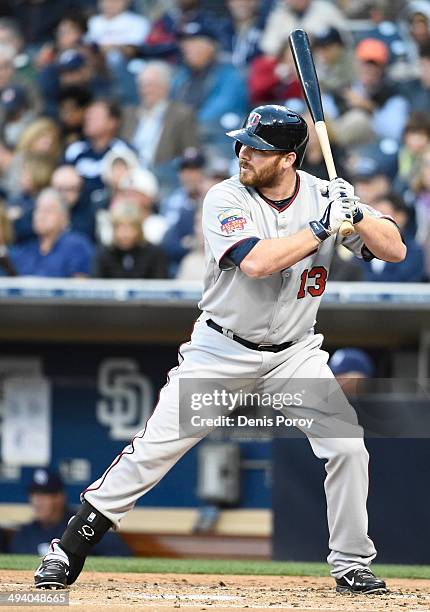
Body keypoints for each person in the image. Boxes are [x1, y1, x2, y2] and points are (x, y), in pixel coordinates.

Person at [33, 104, 405, 593]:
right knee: (154, 450)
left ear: (289, 158)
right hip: (222, 349)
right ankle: (68, 549)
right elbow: (255, 263)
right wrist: (320, 228)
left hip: (294, 355)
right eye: (244, 144)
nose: (244, 153)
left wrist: (355, 213)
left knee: (348, 448)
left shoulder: (324, 196)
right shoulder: (225, 197)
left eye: (258, 148)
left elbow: (394, 249)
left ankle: (352, 562)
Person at [10, 468, 130, 557]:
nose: (37, 502)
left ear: (59, 497)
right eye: (34, 495)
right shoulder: (25, 533)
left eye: (44, 495)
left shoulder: (82, 523)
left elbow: (121, 555)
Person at [121, 61, 199, 168]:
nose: (145, 90)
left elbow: (190, 151)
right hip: (129, 172)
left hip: (164, 175)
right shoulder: (129, 114)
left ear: (165, 86)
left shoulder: (182, 115)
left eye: (150, 85)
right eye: (142, 85)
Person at [10, 187, 94, 278]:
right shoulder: (24, 249)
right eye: (38, 210)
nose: (41, 216)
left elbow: (81, 288)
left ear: (64, 217)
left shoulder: (77, 246)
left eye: (48, 211)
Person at [64, 99, 134, 204]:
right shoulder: (75, 150)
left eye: (95, 116)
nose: (88, 118)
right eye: (88, 115)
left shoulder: (123, 151)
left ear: (112, 123)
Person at [359, 192, 425, 282]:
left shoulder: (414, 251)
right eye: (372, 217)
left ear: (401, 217)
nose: (377, 222)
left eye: (382, 215)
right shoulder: (359, 248)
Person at [93, 200, 168, 278]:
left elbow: (160, 284)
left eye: (130, 227)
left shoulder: (155, 254)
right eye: (120, 227)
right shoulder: (104, 254)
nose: (125, 233)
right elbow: (98, 285)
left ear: (139, 229)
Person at [260, 0, 346, 58]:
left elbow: (346, 39)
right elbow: (269, 50)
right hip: (291, 68)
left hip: (323, 61)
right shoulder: (278, 15)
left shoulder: (325, 8)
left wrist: (315, 40)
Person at [51, 165, 96, 241]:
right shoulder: (44, 207)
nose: (64, 195)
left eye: (71, 189)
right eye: (60, 189)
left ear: (79, 190)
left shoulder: (87, 212)